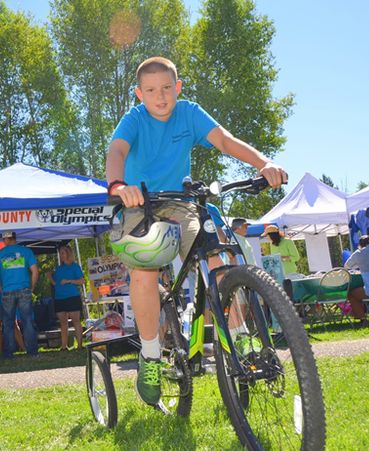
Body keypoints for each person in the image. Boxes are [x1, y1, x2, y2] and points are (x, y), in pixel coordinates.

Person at [106, 56, 287, 405]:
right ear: (138, 94)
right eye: (151, 90)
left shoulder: (189, 112)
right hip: (138, 202)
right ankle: (150, 355)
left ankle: (240, 337)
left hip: (180, 202)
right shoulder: (134, 119)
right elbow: (117, 149)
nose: (160, 97)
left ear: (179, 88)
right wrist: (117, 185)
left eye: (167, 88)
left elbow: (226, 141)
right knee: (143, 272)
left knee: (216, 258)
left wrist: (264, 163)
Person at [0, 231, 39, 358]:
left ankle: (8, 353)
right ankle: (32, 352)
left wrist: (1, 288)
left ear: (6, 239)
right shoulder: (26, 251)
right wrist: (32, 287)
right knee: (27, 321)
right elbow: (35, 271)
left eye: (3, 239)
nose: (3, 242)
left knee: (8, 322)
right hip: (24, 289)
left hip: (7, 291)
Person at [49, 245, 85, 351]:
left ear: (68, 254)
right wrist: (50, 276)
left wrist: (69, 281)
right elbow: (55, 284)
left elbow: (82, 281)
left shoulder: (75, 267)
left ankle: (79, 345)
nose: (61, 255)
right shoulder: (59, 269)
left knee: (76, 322)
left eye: (63, 253)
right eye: (60, 253)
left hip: (72, 297)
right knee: (63, 323)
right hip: (59, 298)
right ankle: (64, 346)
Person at [344, 235, 369, 323]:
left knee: (351, 294)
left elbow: (347, 266)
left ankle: (362, 319)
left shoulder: (358, 253)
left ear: (360, 245)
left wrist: (360, 264)